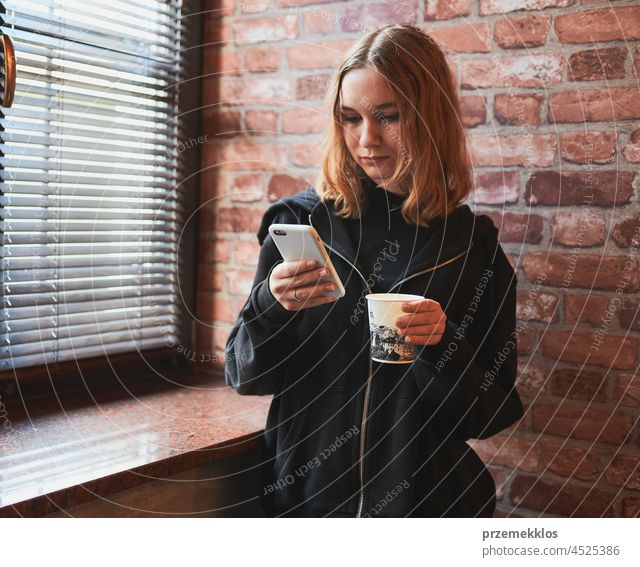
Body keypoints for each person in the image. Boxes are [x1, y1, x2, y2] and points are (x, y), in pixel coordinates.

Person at [224, 24, 524, 518]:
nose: (367, 140)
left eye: (389, 116)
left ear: (430, 119)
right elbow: (245, 374)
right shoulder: (299, 223)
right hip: (306, 506)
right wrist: (270, 307)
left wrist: (441, 345)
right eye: (350, 118)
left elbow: (489, 412)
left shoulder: (472, 247)